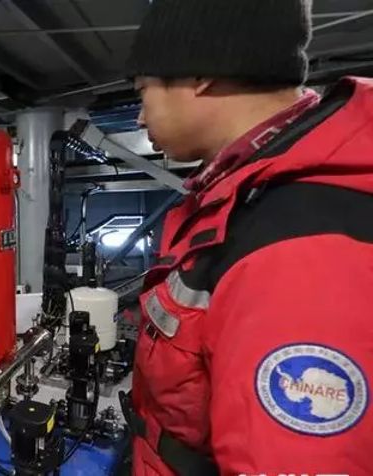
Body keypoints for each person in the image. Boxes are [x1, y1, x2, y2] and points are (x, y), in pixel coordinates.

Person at [121, 0, 373, 475]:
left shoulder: (299, 243)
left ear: (199, 73)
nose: (138, 117)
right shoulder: (240, 198)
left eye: (142, 91)